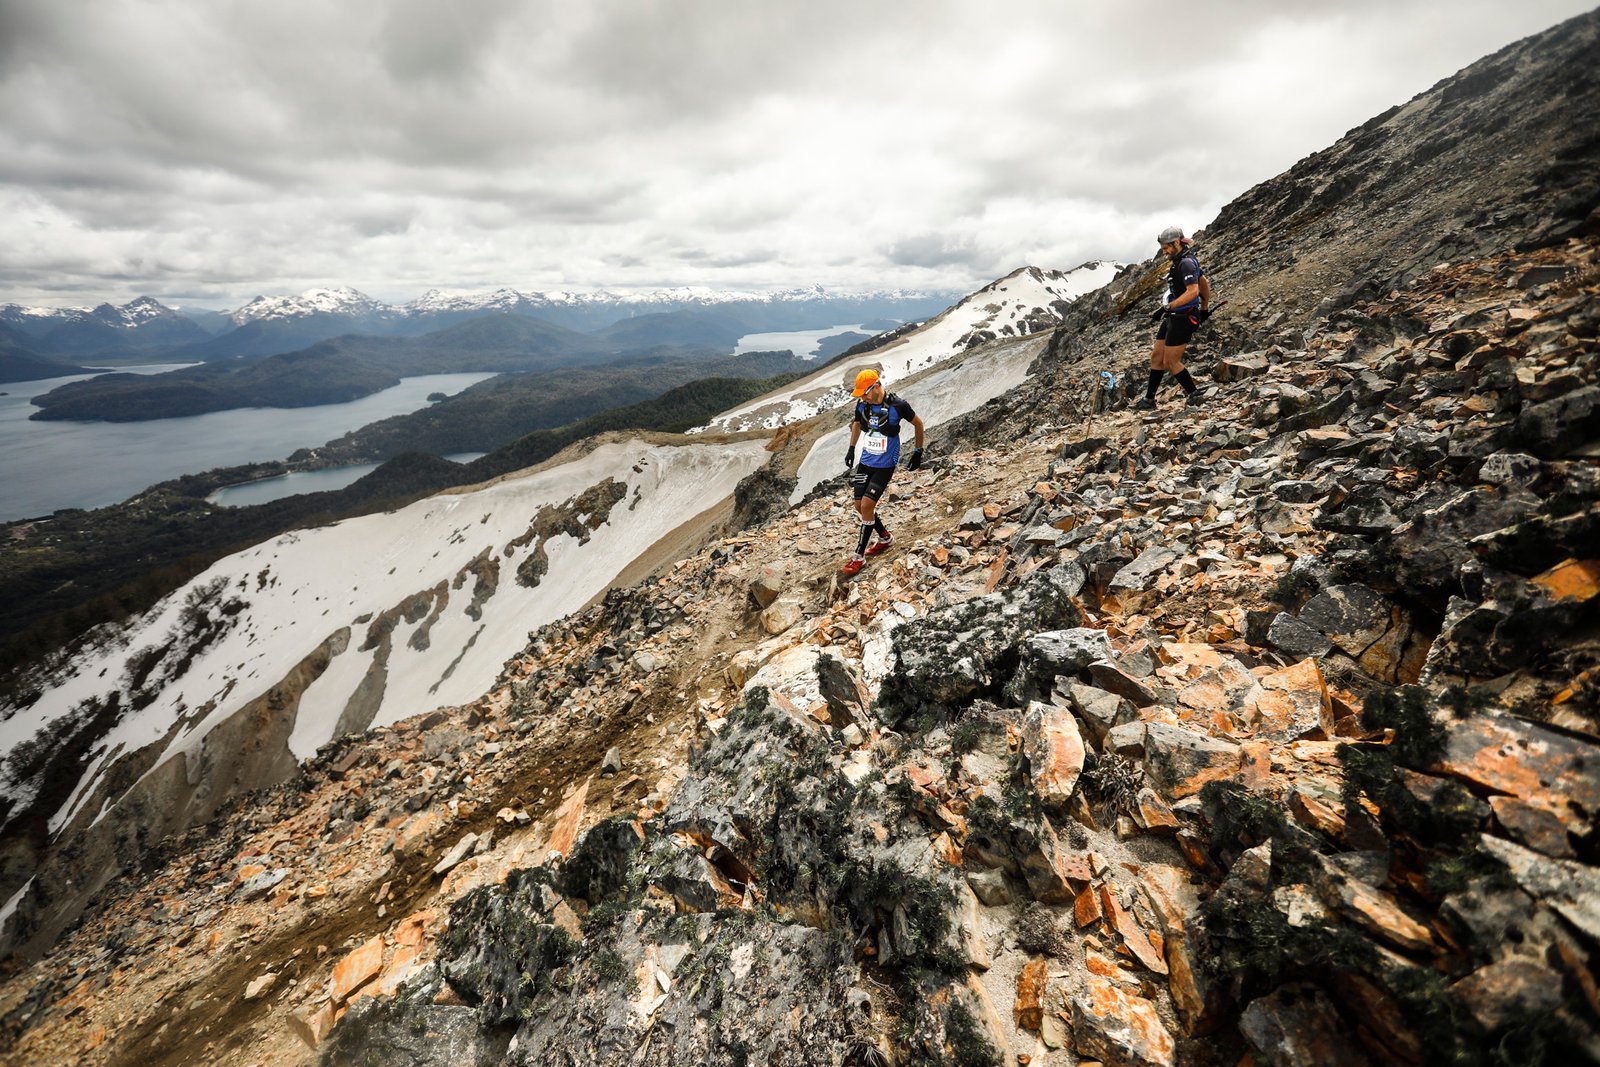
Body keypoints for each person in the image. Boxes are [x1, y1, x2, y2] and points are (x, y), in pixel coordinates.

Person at [841, 369, 924, 576]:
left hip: (885, 464)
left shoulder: (899, 405)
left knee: (867, 505)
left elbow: (918, 423)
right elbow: (857, 424)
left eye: (865, 393)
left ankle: (858, 557)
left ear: (876, 386)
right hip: (866, 461)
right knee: (859, 506)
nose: (863, 397)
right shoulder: (862, 405)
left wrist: (918, 451)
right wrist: (851, 449)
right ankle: (885, 538)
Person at [1136, 226, 1212, 410]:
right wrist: (1204, 308)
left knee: (1170, 362)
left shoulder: (1186, 263)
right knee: (1157, 356)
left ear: (1176, 243)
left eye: (1166, 248)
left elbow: (1193, 291)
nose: (1164, 252)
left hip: (1183, 317)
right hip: (1173, 315)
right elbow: (1203, 282)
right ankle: (1149, 400)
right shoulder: (1180, 261)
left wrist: (1168, 307)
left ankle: (1194, 395)